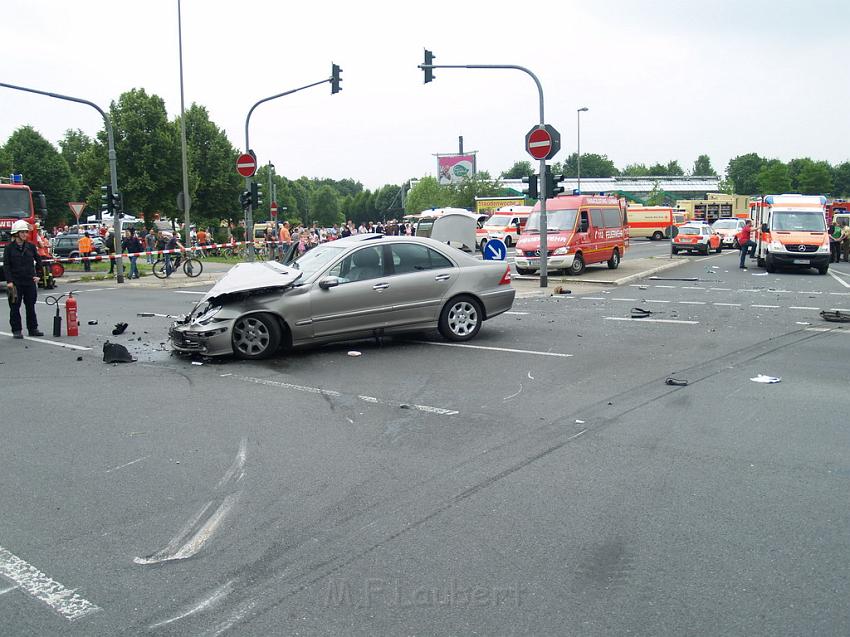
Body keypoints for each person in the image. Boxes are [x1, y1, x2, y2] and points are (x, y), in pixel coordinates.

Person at [3, 220, 44, 339]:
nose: (25, 234)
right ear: (16, 233)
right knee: (15, 307)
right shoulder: (9, 248)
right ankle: (16, 330)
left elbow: (39, 261)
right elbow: (6, 266)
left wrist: (39, 275)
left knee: (30, 305)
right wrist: (9, 281)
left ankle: (33, 328)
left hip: (29, 281)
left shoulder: (31, 246)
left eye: (26, 232)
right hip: (15, 283)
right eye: (23, 232)